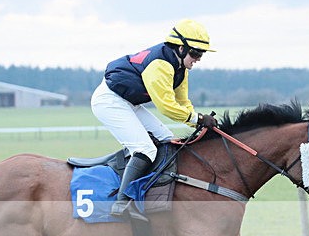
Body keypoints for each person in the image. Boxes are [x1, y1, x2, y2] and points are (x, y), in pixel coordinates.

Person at [91, 19, 219, 217]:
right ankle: (122, 203)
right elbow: (166, 106)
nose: (198, 59)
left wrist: (198, 121)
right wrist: (197, 119)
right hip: (109, 101)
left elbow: (182, 102)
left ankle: (153, 193)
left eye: (201, 54)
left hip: (129, 103)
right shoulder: (160, 65)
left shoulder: (180, 68)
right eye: (195, 53)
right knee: (145, 149)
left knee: (168, 140)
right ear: (180, 48)